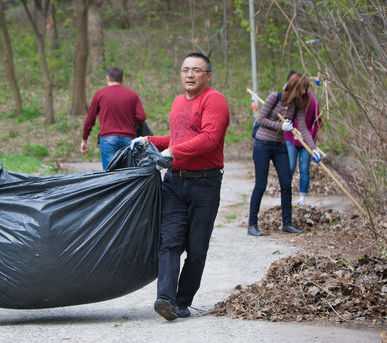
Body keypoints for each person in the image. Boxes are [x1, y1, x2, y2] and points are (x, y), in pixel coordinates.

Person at [130, 52, 230, 321]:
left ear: (207, 75)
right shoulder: (177, 102)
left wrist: (173, 150)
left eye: (196, 70)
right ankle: (165, 299)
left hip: (205, 184)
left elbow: (209, 139)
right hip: (174, 182)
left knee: (196, 249)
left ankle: (183, 301)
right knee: (169, 242)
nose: (189, 74)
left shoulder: (214, 101)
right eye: (185, 69)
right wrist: (149, 140)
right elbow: (177, 138)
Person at [247, 72, 321, 237]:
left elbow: (302, 129)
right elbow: (260, 119)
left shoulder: (297, 106)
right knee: (261, 184)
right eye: (302, 89)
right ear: (294, 87)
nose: (304, 93)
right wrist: (281, 126)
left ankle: (287, 224)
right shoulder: (275, 97)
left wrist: (313, 148)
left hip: (280, 146)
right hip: (263, 144)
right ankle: (252, 224)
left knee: (286, 183)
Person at [80, 66, 147, 169]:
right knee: (127, 174)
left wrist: (84, 139)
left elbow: (90, 120)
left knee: (110, 176)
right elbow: (141, 117)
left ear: (107, 78)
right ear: (122, 79)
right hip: (128, 139)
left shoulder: (100, 95)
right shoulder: (132, 95)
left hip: (108, 140)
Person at [284, 71, 322, 206]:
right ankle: (285, 193)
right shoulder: (290, 100)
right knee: (290, 166)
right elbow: (286, 118)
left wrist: (311, 142)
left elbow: (317, 122)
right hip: (291, 138)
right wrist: (291, 130)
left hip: (307, 140)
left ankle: (302, 197)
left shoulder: (312, 102)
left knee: (304, 168)